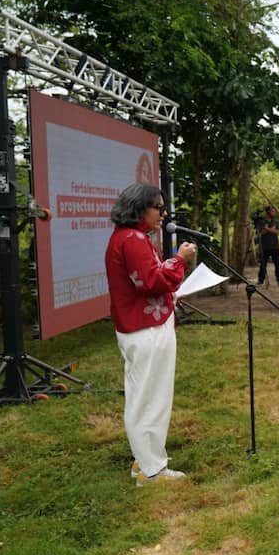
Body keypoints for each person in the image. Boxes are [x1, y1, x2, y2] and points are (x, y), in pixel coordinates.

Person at [105, 183, 196, 485]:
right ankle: (150, 470)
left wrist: (171, 290)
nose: (163, 212)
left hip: (142, 326)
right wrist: (180, 259)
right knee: (150, 399)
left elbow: (144, 284)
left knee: (144, 396)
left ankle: (144, 461)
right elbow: (150, 281)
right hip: (146, 330)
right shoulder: (132, 239)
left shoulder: (129, 237)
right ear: (138, 208)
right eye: (158, 206)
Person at [257, 205, 279, 286]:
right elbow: (261, 232)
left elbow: (278, 232)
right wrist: (272, 229)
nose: (274, 212)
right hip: (264, 246)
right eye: (272, 211)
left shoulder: (276, 221)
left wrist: (267, 229)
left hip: (275, 246)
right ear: (268, 212)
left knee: (277, 264)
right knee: (263, 264)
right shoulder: (261, 221)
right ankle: (260, 280)